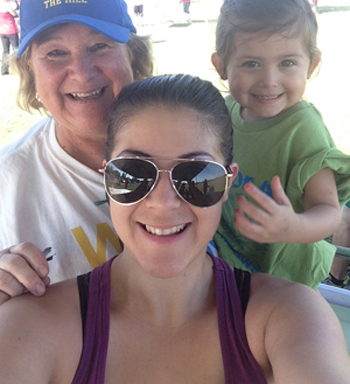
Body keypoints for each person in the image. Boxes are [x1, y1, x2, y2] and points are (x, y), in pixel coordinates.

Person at [0, 74, 349, 384]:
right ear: (107, 178)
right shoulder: (29, 326)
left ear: (228, 183)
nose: (163, 203)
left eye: (197, 176)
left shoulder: (289, 316)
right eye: (134, 173)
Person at [0, 0, 153, 304]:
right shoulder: (8, 182)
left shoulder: (191, 147)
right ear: (30, 68)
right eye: (55, 53)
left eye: (100, 46)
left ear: (133, 52)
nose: (82, 74)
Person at [211, 0, 350, 289]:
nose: (270, 81)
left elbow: (329, 213)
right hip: (229, 258)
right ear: (222, 66)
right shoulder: (225, 111)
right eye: (251, 63)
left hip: (284, 276)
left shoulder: (303, 129)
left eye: (287, 63)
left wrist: (291, 225)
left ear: (311, 65)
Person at [0, 0, 19, 75]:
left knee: (5, 51)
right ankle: (19, 68)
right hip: (11, 30)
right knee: (16, 49)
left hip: (2, 31)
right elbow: (14, 14)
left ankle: (4, 70)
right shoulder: (7, 5)